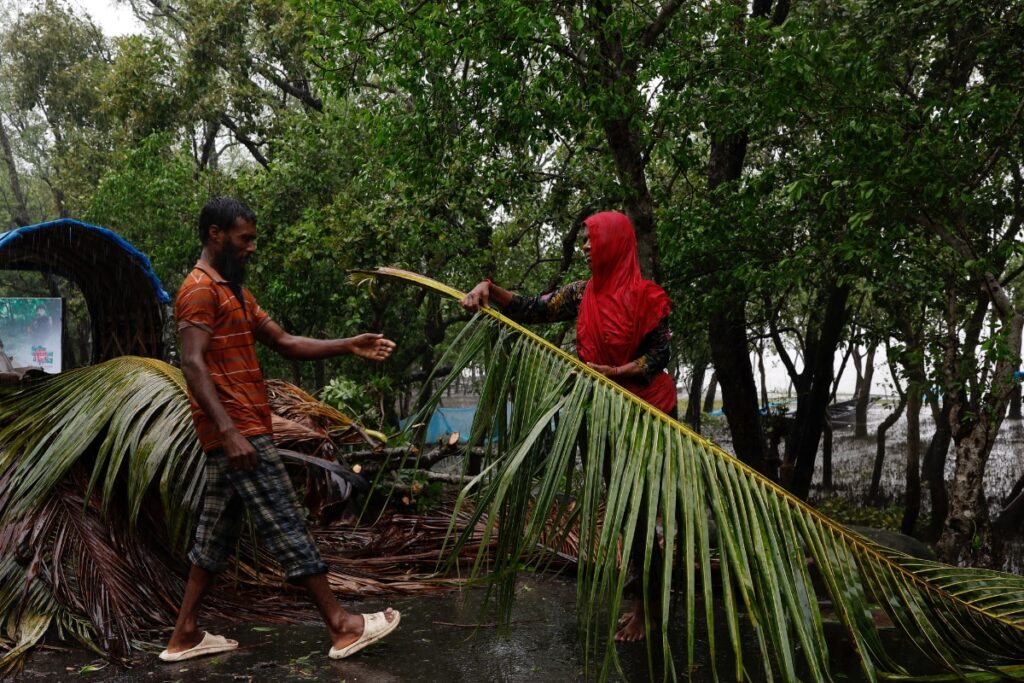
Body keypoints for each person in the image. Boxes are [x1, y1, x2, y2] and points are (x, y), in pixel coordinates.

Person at [160, 197, 400, 663]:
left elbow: (286, 342)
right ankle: (341, 625)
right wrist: (230, 432)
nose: (251, 247)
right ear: (216, 234)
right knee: (288, 524)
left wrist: (349, 345)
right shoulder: (198, 290)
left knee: (213, 537)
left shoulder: (235, 292)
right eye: (244, 238)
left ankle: (184, 633)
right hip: (240, 433)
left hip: (235, 436)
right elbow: (191, 363)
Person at [460, 210, 676, 643]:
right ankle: (643, 603)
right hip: (601, 417)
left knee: (638, 512)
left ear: (613, 243)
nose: (584, 248)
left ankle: (647, 610)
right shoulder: (582, 294)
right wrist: (489, 288)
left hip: (642, 418)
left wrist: (607, 373)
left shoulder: (648, 298)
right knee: (623, 511)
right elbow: (530, 308)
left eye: (591, 239)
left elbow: (658, 358)